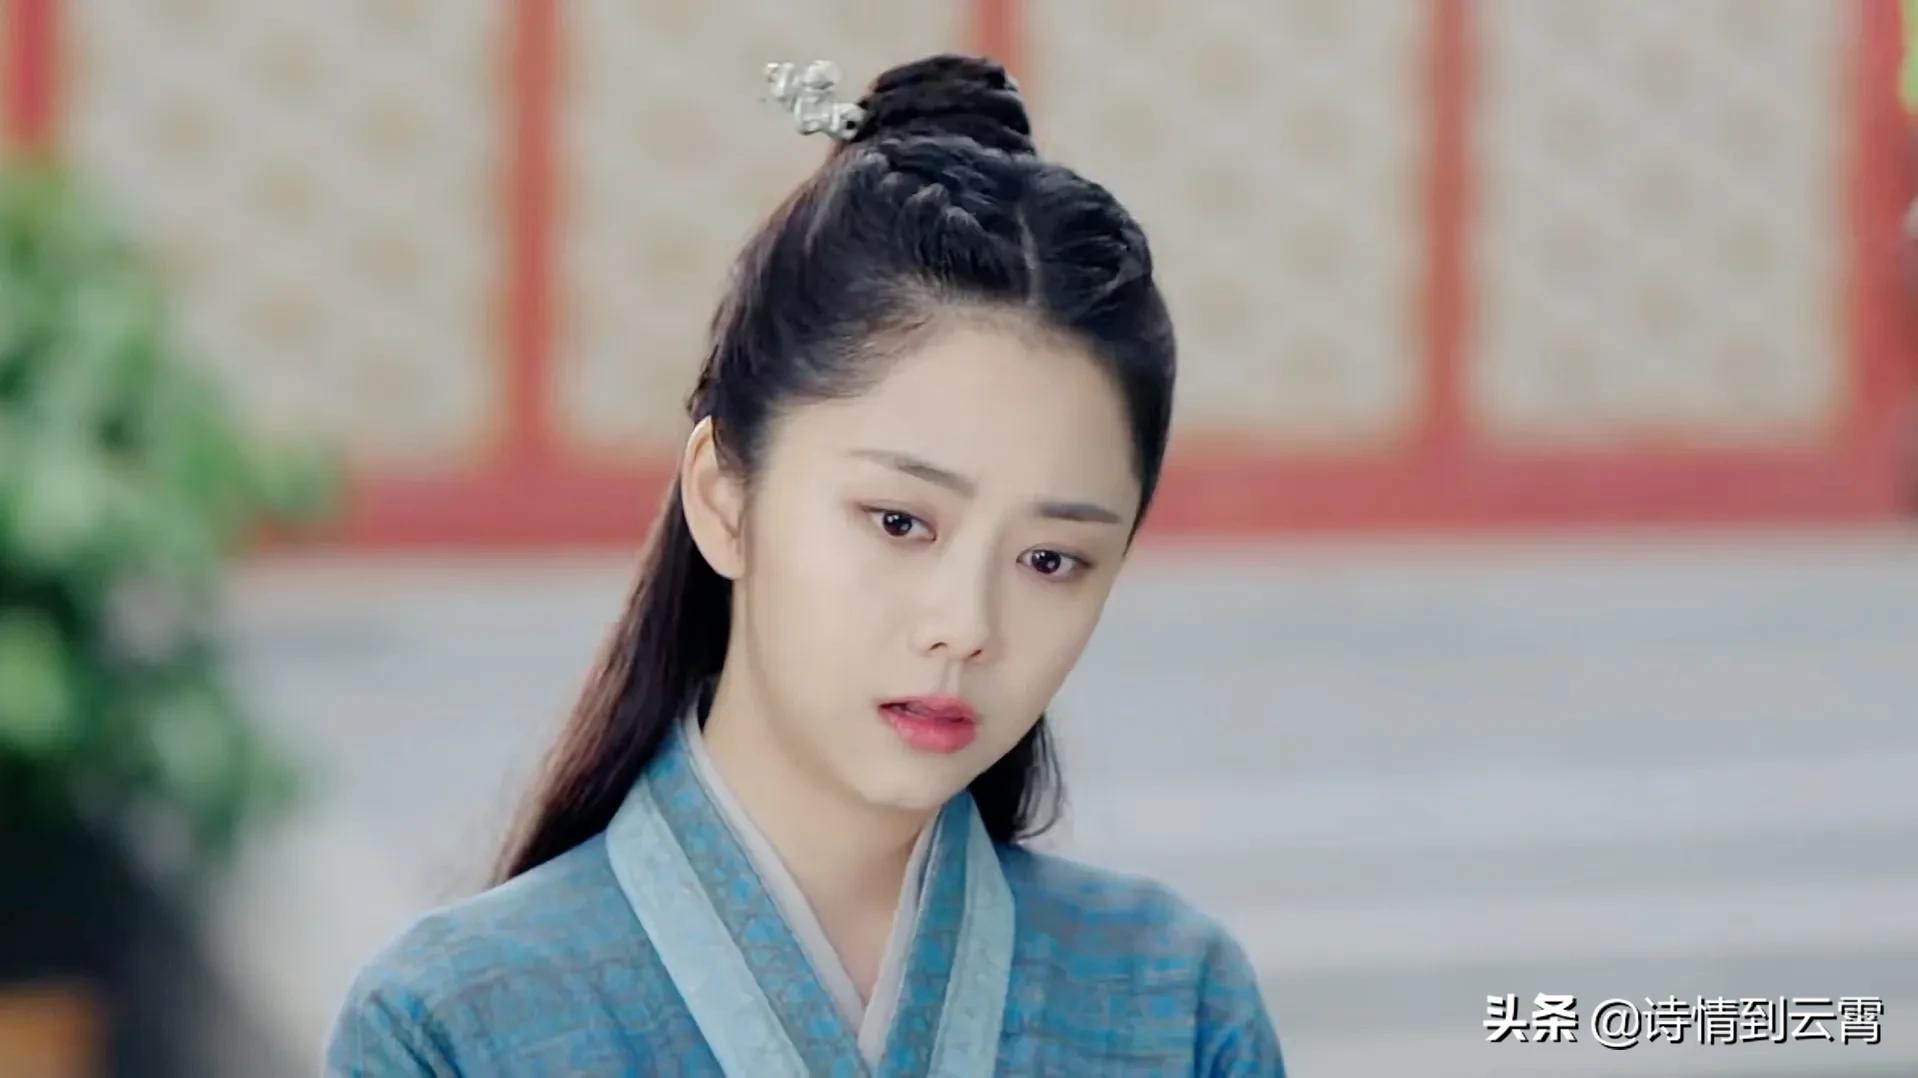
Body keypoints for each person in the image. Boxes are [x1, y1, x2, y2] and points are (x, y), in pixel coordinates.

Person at [325, 53, 1284, 1076]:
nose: (966, 625)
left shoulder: (1177, 1002)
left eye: (1050, 558)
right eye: (899, 521)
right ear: (723, 496)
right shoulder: (450, 1027)